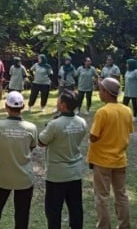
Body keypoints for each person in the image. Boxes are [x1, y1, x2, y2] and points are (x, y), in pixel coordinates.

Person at [0, 91, 37, 229]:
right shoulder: (31, 128)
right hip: (24, 179)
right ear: (23, 107)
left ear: (6, 106)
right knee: (22, 215)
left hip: (3, 179)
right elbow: (31, 147)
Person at [38, 90, 88, 229]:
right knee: (76, 208)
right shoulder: (81, 122)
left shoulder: (55, 124)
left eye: (58, 100)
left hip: (57, 174)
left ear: (63, 105)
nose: (57, 102)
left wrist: (49, 124)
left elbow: (41, 142)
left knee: (53, 210)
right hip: (75, 172)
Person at [87, 78, 133, 229]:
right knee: (121, 195)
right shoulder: (127, 110)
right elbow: (128, 131)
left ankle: (103, 226)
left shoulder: (103, 112)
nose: (99, 93)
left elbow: (94, 136)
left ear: (106, 92)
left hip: (102, 160)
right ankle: (124, 225)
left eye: (100, 89)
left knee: (102, 197)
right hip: (120, 159)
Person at [123, 59, 137, 124]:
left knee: (134, 104)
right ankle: (124, 115)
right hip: (127, 90)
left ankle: (135, 117)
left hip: (134, 90)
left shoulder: (136, 72)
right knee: (124, 103)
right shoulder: (127, 71)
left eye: (127, 64)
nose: (126, 65)